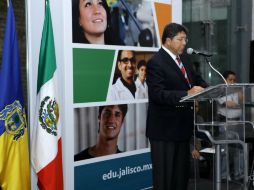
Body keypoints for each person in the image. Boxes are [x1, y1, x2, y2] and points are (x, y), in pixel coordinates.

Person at [146, 22, 208, 190]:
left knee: (180, 178)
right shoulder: (155, 63)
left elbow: (197, 79)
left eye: (185, 39)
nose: (184, 43)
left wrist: (209, 89)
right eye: (180, 39)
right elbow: (157, 94)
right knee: (165, 180)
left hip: (183, 128)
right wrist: (186, 94)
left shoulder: (185, 60)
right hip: (164, 130)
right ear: (168, 41)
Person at [216, 70, 244, 180]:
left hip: (238, 122)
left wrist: (239, 93)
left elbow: (243, 101)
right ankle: (223, 175)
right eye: (230, 80)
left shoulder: (237, 89)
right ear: (224, 79)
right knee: (225, 150)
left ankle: (239, 173)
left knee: (239, 149)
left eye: (234, 80)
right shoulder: (219, 90)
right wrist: (237, 104)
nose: (232, 82)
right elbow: (229, 104)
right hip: (225, 123)